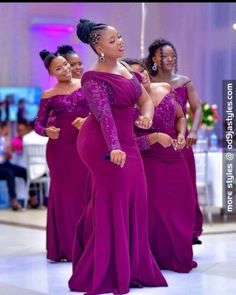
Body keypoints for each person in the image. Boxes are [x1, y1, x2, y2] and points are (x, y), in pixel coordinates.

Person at [68, 19, 167, 295]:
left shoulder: (124, 68)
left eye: (120, 37)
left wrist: (147, 116)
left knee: (135, 197)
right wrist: (114, 147)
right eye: (113, 40)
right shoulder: (92, 76)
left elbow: (144, 99)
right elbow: (104, 116)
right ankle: (108, 267)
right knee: (115, 200)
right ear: (98, 46)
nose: (120, 42)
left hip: (126, 141)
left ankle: (133, 265)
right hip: (101, 141)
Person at [124, 58, 197, 273]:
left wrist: (182, 134)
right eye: (137, 75)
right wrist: (154, 138)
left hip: (175, 157)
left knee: (183, 205)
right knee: (156, 212)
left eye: (144, 71)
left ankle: (180, 254)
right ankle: (156, 257)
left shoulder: (165, 88)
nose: (144, 76)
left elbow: (180, 117)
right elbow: (128, 143)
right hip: (148, 164)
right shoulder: (127, 105)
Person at [145, 38, 203, 245]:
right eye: (165, 56)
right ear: (154, 58)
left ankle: (189, 229)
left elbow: (197, 109)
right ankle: (160, 232)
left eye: (173, 56)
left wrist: (193, 131)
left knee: (186, 185)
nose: (170, 59)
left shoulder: (184, 82)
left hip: (181, 139)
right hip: (154, 143)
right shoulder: (146, 81)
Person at [34, 49, 90, 262]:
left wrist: (88, 120)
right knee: (65, 196)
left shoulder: (85, 86)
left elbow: (100, 112)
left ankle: (87, 243)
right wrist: (46, 131)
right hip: (59, 150)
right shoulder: (48, 94)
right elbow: (38, 124)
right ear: (51, 73)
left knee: (86, 192)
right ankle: (66, 247)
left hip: (84, 146)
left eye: (66, 64)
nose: (66, 69)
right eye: (59, 68)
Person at [0, 121, 27, 210]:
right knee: (9, 173)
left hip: (6, 164)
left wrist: (9, 153)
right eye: (6, 128)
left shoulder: (5, 139)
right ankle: (14, 201)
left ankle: (32, 199)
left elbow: (9, 155)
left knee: (24, 171)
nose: (8, 130)